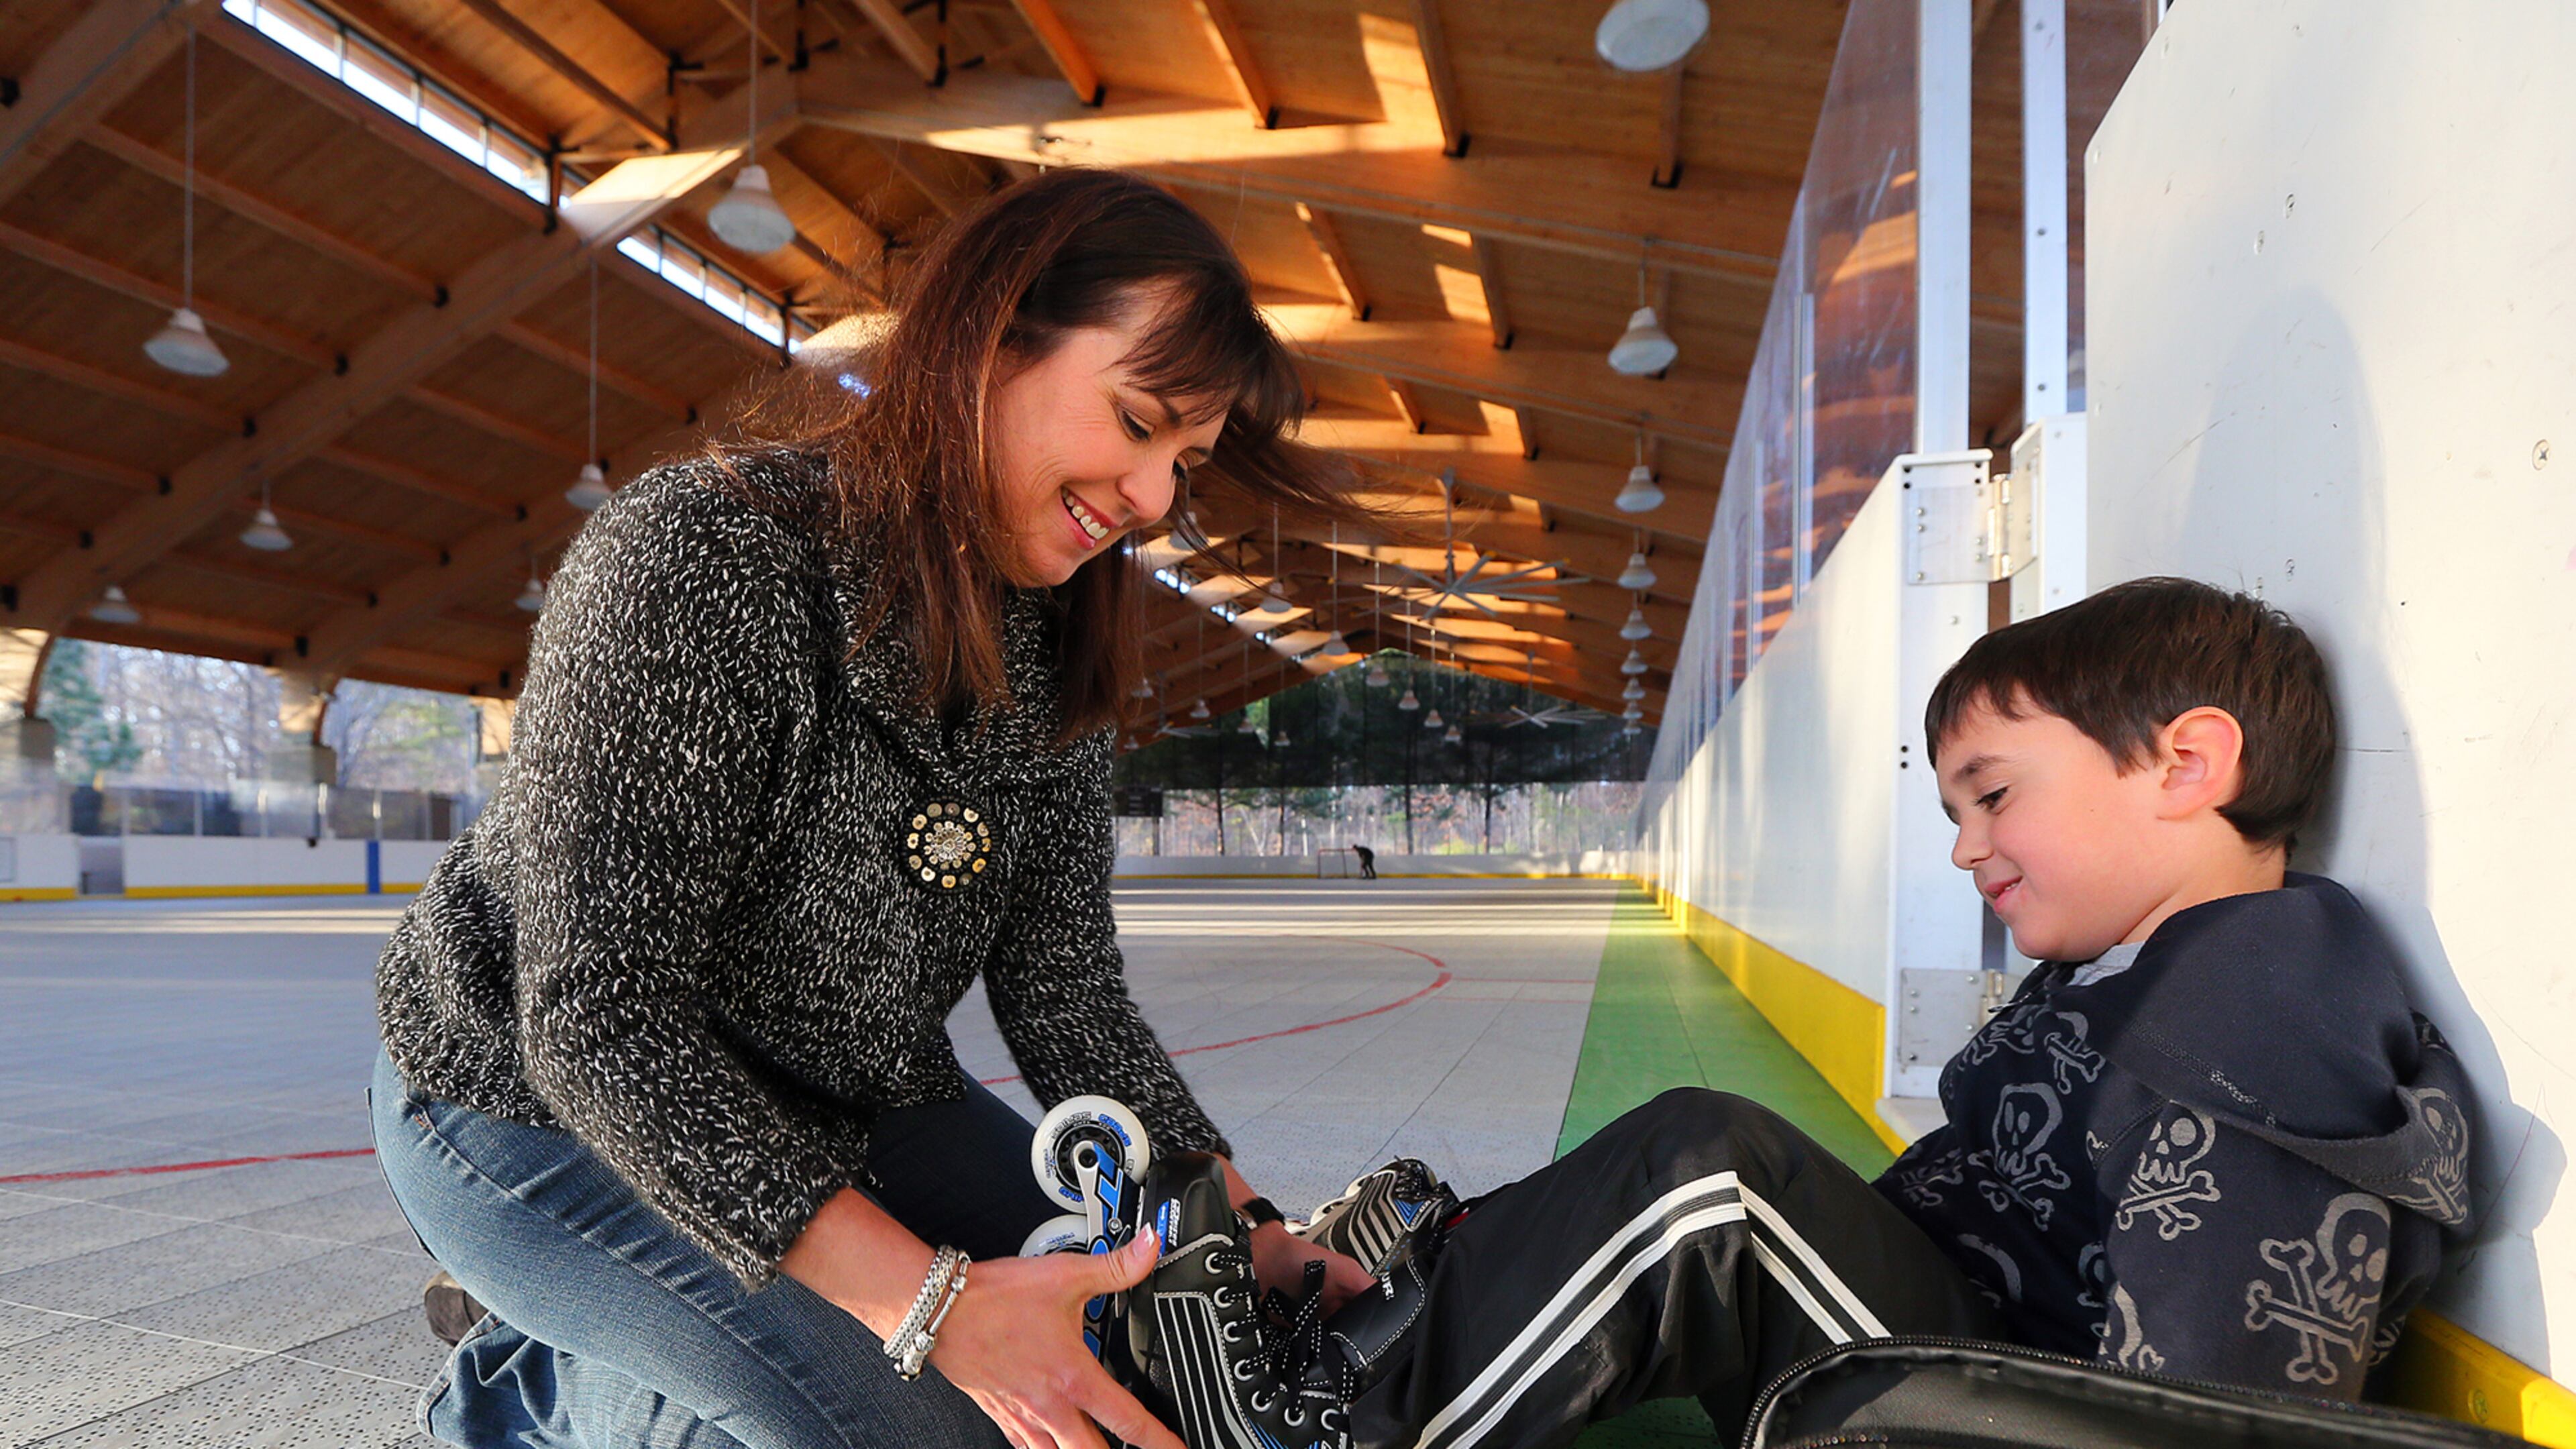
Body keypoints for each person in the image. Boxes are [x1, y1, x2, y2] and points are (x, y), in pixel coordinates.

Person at [368, 168, 1379, 1449]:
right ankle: (527, 1383)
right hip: (536, 1112)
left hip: (849, 1101)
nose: (1155, 500)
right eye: (1136, 424)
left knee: (1143, 1349)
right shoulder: (699, 559)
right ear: (989, 336)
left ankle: (616, 1324)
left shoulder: (1048, 650)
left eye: (1182, 462)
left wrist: (1251, 1233)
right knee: (927, 1431)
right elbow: (598, 1019)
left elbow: (1063, 988)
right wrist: (939, 1306)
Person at [1165, 578, 2476, 1449]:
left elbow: (2212, 1403)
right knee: (1666, 1179)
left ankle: (1333, 1420)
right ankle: (1385, 1306)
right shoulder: (2138, 970)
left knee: (1712, 1183)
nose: (1968, 850)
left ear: (2185, 764)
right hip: (1923, 1363)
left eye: (1994, 795)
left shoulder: (2264, 986)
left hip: (1987, 1411)